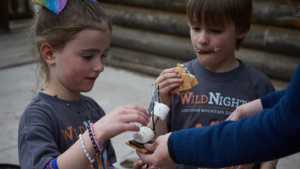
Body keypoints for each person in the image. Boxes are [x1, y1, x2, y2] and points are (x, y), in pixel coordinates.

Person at [135, 0, 300, 168]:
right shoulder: (174, 81)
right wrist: (162, 104)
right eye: (196, 28)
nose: (202, 39)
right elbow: (153, 142)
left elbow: (273, 137)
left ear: (241, 29)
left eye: (215, 30)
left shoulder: (259, 85)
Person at [18, 1, 150, 169]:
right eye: (88, 56)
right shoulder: (37, 117)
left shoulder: (93, 109)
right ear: (50, 54)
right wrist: (95, 135)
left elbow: (104, 164)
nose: (100, 67)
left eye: (102, 56)